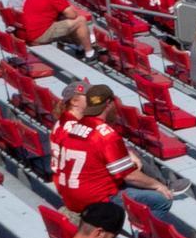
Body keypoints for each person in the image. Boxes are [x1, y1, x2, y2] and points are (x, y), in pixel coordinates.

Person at [50, 84, 181, 220]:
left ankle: (159, 185)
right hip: (92, 197)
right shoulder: (96, 131)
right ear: (109, 104)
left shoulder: (73, 125)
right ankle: (143, 236)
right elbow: (128, 175)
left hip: (72, 188)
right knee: (162, 200)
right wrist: (157, 185)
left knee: (131, 160)